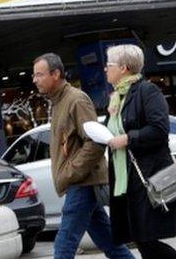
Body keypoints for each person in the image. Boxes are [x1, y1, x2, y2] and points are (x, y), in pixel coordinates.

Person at [31, 53, 133, 259]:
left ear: (56, 74)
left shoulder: (76, 99)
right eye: (34, 75)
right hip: (80, 183)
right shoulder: (59, 101)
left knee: (64, 244)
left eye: (39, 75)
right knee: (110, 243)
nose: (35, 80)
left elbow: (95, 142)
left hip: (83, 183)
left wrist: (71, 172)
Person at [105, 44, 176, 258]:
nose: (105, 69)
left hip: (146, 176)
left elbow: (159, 129)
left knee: (147, 240)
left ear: (123, 68)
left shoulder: (147, 91)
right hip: (125, 179)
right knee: (141, 240)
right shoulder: (117, 99)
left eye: (109, 64)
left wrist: (128, 138)